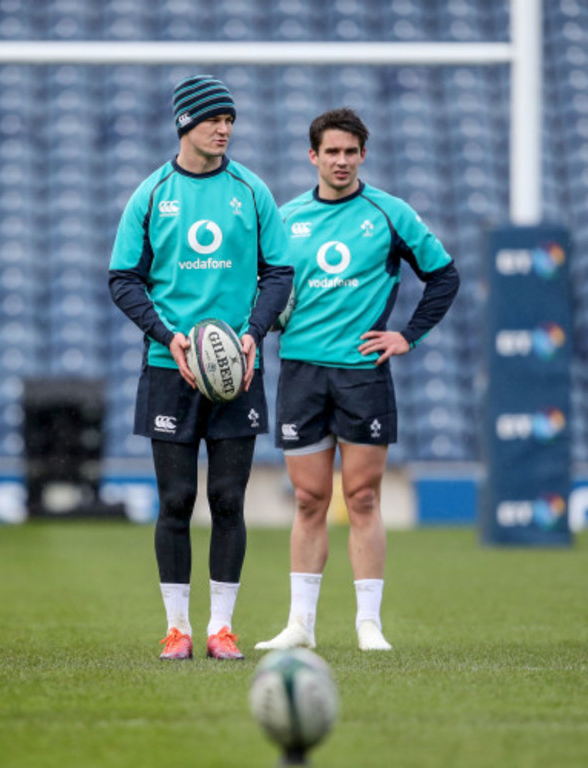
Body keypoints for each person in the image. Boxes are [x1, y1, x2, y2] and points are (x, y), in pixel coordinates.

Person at [255, 108, 459, 653]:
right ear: (313, 156)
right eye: (331, 152)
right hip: (300, 372)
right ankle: (301, 624)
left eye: (351, 152)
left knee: (363, 496)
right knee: (308, 499)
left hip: (362, 374)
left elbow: (443, 275)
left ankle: (369, 623)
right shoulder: (285, 217)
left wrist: (406, 336)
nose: (341, 161)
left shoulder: (389, 213)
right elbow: (264, 287)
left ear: (363, 155)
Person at [109, 75, 293, 661]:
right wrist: (170, 337)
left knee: (230, 499)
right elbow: (123, 279)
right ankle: (177, 629)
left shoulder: (251, 190)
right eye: (214, 118)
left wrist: (251, 335)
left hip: (236, 371)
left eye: (230, 119)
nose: (225, 128)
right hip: (170, 367)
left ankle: (221, 628)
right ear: (185, 123)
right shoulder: (152, 193)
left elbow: (280, 273)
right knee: (175, 500)